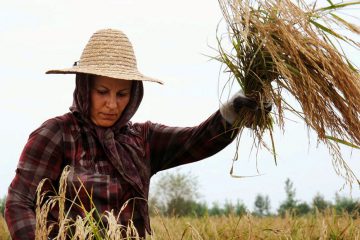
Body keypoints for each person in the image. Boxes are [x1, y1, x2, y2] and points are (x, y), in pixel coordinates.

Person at [5, 29, 267, 239]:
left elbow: (197, 140)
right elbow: (18, 202)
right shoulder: (56, 134)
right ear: (85, 87)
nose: (112, 104)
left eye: (122, 94)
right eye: (102, 92)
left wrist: (233, 111)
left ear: (134, 96)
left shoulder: (142, 140)